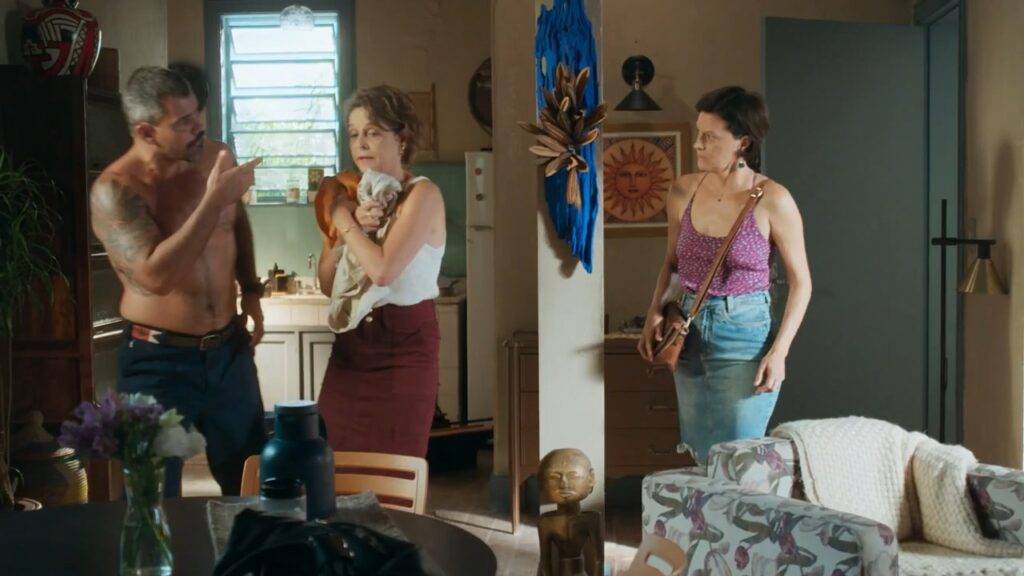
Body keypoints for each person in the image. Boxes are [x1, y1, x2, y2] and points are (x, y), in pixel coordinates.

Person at [90, 66, 266, 496]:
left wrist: (251, 289)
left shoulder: (216, 157)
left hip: (228, 352)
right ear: (146, 132)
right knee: (150, 497)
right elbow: (155, 277)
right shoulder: (116, 189)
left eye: (197, 114)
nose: (198, 127)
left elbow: (235, 222)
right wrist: (214, 199)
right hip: (156, 361)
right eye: (183, 122)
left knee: (252, 483)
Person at [638, 86, 812, 463]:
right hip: (688, 332)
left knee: (738, 457)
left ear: (742, 142)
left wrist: (780, 352)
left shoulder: (773, 199)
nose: (697, 144)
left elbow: (802, 283)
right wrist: (654, 311)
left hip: (744, 335)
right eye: (698, 133)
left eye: (709, 137)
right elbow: (672, 263)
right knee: (702, 453)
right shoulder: (683, 190)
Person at [316, 85, 446, 458]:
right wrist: (345, 226)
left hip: (404, 351)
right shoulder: (353, 196)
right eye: (354, 134)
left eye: (372, 132)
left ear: (401, 138)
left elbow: (383, 271)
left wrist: (342, 219)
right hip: (351, 351)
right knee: (332, 466)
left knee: (393, 473)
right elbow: (328, 284)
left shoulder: (423, 195)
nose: (361, 143)